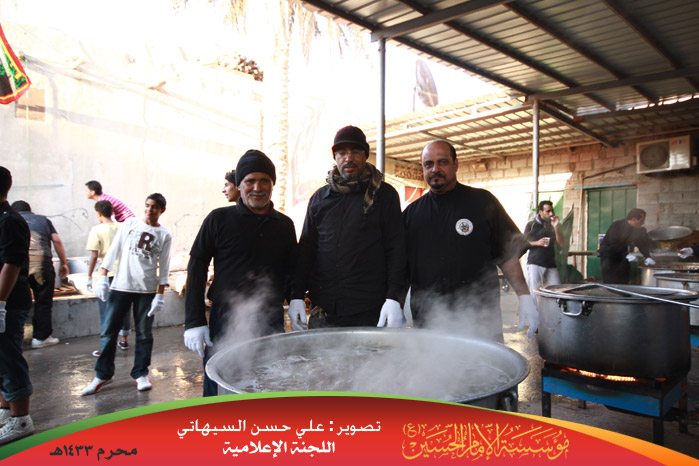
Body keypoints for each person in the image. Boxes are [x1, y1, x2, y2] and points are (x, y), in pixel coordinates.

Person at [184, 150, 296, 397]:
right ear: (239, 185)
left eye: (264, 180)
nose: (257, 187)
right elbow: (197, 266)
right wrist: (194, 321)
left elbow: (291, 269)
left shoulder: (284, 225)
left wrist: (296, 298)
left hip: (270, 318)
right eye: (250, 181)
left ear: (272, 184)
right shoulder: (219, 219)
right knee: (220, 382)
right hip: (226, 318)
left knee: (268, 381)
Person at [403, 140, 536, 341]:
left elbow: (507, 255)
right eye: (428, 164)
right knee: (434, 363)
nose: (435, 169)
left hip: (480, 318)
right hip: (429, 320)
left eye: (442, 162)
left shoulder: (483, 202)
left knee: (484, 362)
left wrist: (524, 295)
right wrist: (394, 303)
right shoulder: (411, 214)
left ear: (456, 164)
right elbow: (402, 268)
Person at [289, 125, 406, 330]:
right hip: (324, 311)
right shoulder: (320, 198)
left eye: (355, 151)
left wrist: (394, 298)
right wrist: (296, 294)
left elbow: (396, 249)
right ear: (335, 157)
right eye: (342, 152)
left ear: (366, 155)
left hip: (369, 311)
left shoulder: (384, 195)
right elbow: (307, 249)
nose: (348, 158)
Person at [81, 193, 172, 395]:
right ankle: (103, 374)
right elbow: (114, 250)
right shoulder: (130, 224)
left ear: (162, 210)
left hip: (146, 290)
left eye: (155, 207)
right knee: (108, 331)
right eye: (147, 205)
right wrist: (102, 276)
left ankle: (140, 373)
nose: (149, 210)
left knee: (144, 334)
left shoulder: (165, 235)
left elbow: (164, 267)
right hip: (121, 286)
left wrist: (160, 294)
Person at [0, 167, 35, 444]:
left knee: (9, 357)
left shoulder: (10, 220)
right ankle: (5, 411)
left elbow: (11, 264)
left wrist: (0, 304)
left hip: (9, 302)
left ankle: (21, 419)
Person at [11, 201, 68, 349]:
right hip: (42, 263)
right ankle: (41, 338)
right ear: (31, 211)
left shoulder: (11, 219)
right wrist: (64, 263)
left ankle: (15, 338)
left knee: (17, 301)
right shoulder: (43, 220)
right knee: (43, 300)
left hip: (18, 264)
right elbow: (56, 240)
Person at [85, 200, 128, 357]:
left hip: (106, 275)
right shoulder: (123, 227)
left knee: (106, 311)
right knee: (124, 307)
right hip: (123, 274)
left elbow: (94, 255)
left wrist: (89, 276)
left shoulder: (97, 230)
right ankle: (124, 340)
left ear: (98, 214)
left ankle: (106, 347)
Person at [599, 208, 655, 284]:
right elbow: (613, 243)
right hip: (609, 257)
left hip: (622, 257)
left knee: (624, 279)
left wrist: (647, 256)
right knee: (611, 282)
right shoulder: (616, 226)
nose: (643, 223)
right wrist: (626, 254)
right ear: (634, 219)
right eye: (642, 220)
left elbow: (640, 243)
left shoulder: (636, 229)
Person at [523, 200, 563, 304]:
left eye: (552, 211)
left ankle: (553, 313)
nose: (551, 214)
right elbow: (523, 242)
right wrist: (537, 243)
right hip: (535, 262)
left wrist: (556, 227)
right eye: (548, 211)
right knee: (535, 292)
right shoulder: (531, 224)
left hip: (551, 263)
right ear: (540, 212)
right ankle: (535, 313)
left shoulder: (554, 224)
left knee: (556, 291)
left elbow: (561, 243)